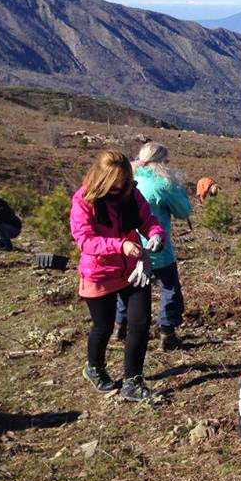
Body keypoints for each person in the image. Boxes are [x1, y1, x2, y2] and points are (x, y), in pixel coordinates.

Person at [70, 150, 166, 401]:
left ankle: (133, 380)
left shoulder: (131, 194)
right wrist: (120, 245)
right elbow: (85, 240)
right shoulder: (84, 199)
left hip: (133, 270)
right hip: (99, 273)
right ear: (102, 177)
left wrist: (156, 234)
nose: (120, 185)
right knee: (103, 327)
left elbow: (147, 219)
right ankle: (94, 367)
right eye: (115, 180)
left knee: (140, 322)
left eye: (124, 179)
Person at [114, 143, 191, 351]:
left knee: (129, 288)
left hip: (129, 248)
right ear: (162, 162)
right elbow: (184, 211)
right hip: (159, 248)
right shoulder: (164, 184)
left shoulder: (127, 180)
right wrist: (181, 191)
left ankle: (120, 326)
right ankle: (167, 332)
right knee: (169, 289)